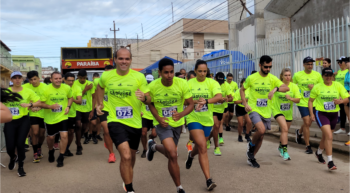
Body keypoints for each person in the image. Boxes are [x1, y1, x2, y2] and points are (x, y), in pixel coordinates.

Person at [96, 48, 151, 193]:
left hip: (135, 122)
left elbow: (149, 99)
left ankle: (127, 179)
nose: (124, 61)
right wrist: (99, 103)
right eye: (121, 58)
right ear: (115, 60)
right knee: (125, 155)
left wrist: (144, 98)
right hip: (115, 121)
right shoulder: (107, 76)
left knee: (131, 157)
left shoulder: (139, 77)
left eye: (127, 59)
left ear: (131, 60)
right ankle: (130, 189)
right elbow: (99, 87)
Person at [146, 58, 194, 193]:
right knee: (173, 154)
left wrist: (181, 114)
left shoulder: (182, 83)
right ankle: (179, 187)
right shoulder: (153, 86)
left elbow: (190, 104)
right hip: (163, 124)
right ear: (159, 73)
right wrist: (158, 118)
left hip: (177, 124)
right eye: (166, 72)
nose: (169, 76)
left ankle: (153, 146)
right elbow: (151, 104)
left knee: (170, 152)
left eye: (172, 72)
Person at [241, 55, 289, 168]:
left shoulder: (272, 78)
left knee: (261, 136)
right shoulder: (252, 78)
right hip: (254, 109)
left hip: (266, 111)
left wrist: (275, 89)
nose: (268, 69)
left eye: (270, 67)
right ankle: (251, 145)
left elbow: (286, 88)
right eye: (266, 67)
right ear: (260, 65)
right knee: (261, 130)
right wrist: (245, 104)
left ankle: (251, 157)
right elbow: (242, 89)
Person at [184, 60, 220, 191]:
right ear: (195, 70)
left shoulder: (212, 82)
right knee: (203, 147)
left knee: (200, 146)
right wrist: (194, 101)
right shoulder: (188, 84)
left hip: (207, 120)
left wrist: (206, 101)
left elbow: (219, 96)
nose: (202, 73)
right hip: (193, 118)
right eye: (200, 71)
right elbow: (183, 99)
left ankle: (191, 155)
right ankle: (208, 180)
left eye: (205, 71)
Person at [309, 68, 349, 170]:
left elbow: (347, 98)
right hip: (321, 113)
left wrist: (340, 102)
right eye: (326, 75)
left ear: (333, 76)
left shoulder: (337, 85)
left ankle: (318, 152)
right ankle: (330, 162)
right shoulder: (317, 87)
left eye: (330, 75)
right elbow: (310, 101)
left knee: (326, 137)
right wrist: (311, 114)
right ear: (322, 76)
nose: (328, 77)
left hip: (334, 114)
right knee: (329, 136)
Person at [3, 71, 41, 177]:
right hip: (9, 121)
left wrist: (30, 104)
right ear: (11, 80)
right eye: (14, 78)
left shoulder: (27, 91)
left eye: (19, 77)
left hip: (23, 120)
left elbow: (39, 102)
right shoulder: (6, 92)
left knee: (20, 144)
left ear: (22, 79)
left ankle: (20, 167)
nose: (17, 80)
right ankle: (13, 157)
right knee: (10, 146)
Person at [40, 72, 73, 167]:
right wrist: (50, 106)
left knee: (64, 136)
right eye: (56, 78)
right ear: (51, 80)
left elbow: (70, 97)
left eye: (59, 78)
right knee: (51, 137)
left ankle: (61, 156)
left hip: (63, 116)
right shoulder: (46, 89)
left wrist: (68, 106)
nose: (58, 80)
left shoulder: (66, 87)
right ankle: (51, 150)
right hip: (50, 118)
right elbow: (41, 104)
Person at [293, 56, 322, 154]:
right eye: (308, 64)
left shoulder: (317, 75)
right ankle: (308, 146)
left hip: (314, 102)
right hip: (302, 102)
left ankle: (299, 132)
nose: (310, 66)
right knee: (307, 122)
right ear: (304, 65)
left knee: (308, 123)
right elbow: (292, 85)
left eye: (311, 64)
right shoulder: (297, 75)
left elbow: (322, 87)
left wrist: (314, 87)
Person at [271, 68, 301, 161]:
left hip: (288, 112)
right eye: (285, 75)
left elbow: (298, 99)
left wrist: (291, 98)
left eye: (289, 75)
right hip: (277, 110)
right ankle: (285, 151)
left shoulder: (294, 87)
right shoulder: (277, 85)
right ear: (282, 76)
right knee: (284, 129)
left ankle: (280, 147)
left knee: (285, 131)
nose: (288, 77)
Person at [24, 71, 47, 163]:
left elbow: (47, 100)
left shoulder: (45, 87)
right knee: (35, 132)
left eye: (35, 79)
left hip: (44, 113)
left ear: (38, 78)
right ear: (28, 80)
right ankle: (35, 153)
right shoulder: (25, 87)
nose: (33, 81)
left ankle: (39, 147)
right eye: (31, 80)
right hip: (32, 114)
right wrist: (30, 106)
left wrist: (38, 107)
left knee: (42, 134)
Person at [207, 72, 232, 156]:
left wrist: (225, 99)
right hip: (212, 108)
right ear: (215, 79)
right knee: (216, 126)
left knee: (217, 127)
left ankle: (207, 139)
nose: (220, 83)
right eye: (219, 81)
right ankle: (216, 147)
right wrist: (217, 99)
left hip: (221, 109)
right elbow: (207, 97)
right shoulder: (211, 84)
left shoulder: (226, 85)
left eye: (222, 82)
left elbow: (231, 97)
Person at [97, 65, 117, 163]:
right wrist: (97, 105)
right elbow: (97, 93)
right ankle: (111, 154)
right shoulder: (100, 81)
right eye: (107, 73)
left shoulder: (118, 82)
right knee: (107, 131)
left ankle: (107, 140)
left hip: (116, 109)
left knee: (113, 132)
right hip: (104, 109)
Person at [73, 69, 95, 154]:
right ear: (77, 77)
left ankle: (78, 138)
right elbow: (74, 96)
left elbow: (94, 98)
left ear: (86, 77)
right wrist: (85, 89)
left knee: (85, 127)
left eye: (84, 78)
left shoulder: (90, 84)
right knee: (78, 125)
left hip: (87, 108)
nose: (82, 80)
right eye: (81, 78)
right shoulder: (74, 84)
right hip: (77, 108)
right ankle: (78, 145)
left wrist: (92, 110)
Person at [64, 72, 82, 157]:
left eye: (72, 80)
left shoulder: (77, 88)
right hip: (62, 114)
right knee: (64, 133)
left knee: (73, 130)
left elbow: (79, 101)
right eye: (69, 81)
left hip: (73, 112)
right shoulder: (60, 88)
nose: (71, 82)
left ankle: (73, 146)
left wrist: (71, 99)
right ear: (64, 80)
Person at [140, 75, 157, 158]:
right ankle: (145, 149)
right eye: (148, 81)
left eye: (150, 81)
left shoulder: (155, 89)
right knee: (143, 133)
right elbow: (138, 101)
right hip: (145, 115)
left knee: (154, 134)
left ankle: (151, 140)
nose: (149, 83)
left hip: (154, 116)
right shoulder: (142, 90)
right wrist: (139, 111)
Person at [233, 78, 252, 142]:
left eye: (246, 83)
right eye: (243, 83)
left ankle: (247, 134)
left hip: (247, 108)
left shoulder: (249, 90)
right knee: (240, 124)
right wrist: (244, 101)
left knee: (249, 122)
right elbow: (235, 101)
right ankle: (240, 135)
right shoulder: (238, 91)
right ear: (241, 84)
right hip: (239, 108)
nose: (245, 85)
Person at [333, 57, 349, 135]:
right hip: (340, 95)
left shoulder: (347, 71)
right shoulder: (338, 72)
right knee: (342, 112)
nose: (339, 64)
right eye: (338, 62)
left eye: (341, 62)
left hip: (346, 95)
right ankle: (342, 128)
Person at [342, 57, 350, 146]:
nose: (346, 63)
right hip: (347, 97)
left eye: (348, 62)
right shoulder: (347, 73)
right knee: (349, 118)